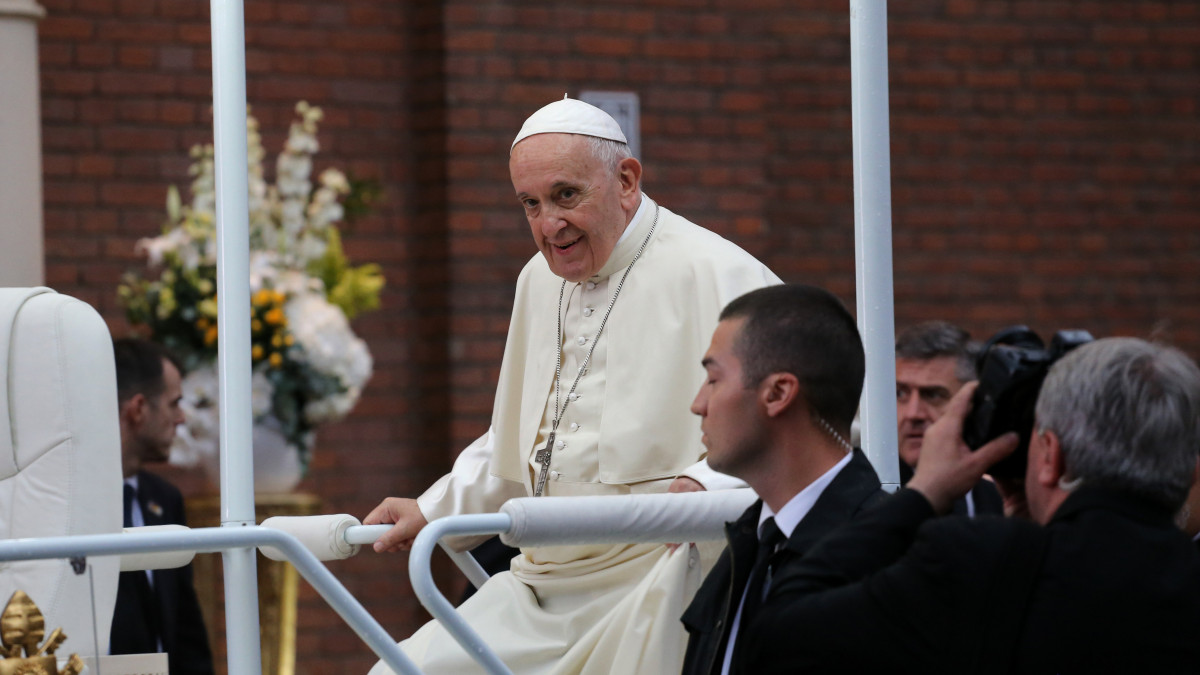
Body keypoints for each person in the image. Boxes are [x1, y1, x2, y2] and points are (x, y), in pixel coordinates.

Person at [365, 97, 779, 674]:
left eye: (565, 196)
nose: (548, 225)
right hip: (540, 581)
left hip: (659, 575)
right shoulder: (536, 280)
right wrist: (433, 507)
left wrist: (704, 481)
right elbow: (520, 435)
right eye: (529, 204)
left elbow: (802, 415)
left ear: (627, 181)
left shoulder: (720, 272)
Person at [741, 337, 1200, 673]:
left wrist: (922, 495)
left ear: (1051, 454)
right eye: (900, 394)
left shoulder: (982, 559)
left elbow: (781, 634)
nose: (913, 410)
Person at [680, 285, 886, 675]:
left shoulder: (882, 561)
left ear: (778, 393)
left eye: (713, 379)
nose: (698, 404)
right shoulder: (749, 543)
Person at [109, 338, 214, 675]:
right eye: (174, 403)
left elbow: (185, 629)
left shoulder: (164, 500)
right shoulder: (61, 501)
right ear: (138, 409)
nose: (181, 418)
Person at [895, 320, 1002, 516]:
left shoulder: (1002, 500)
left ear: (971, 402)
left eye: (933, 395)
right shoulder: (865, 498)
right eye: (900, 394)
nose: (913, 414)